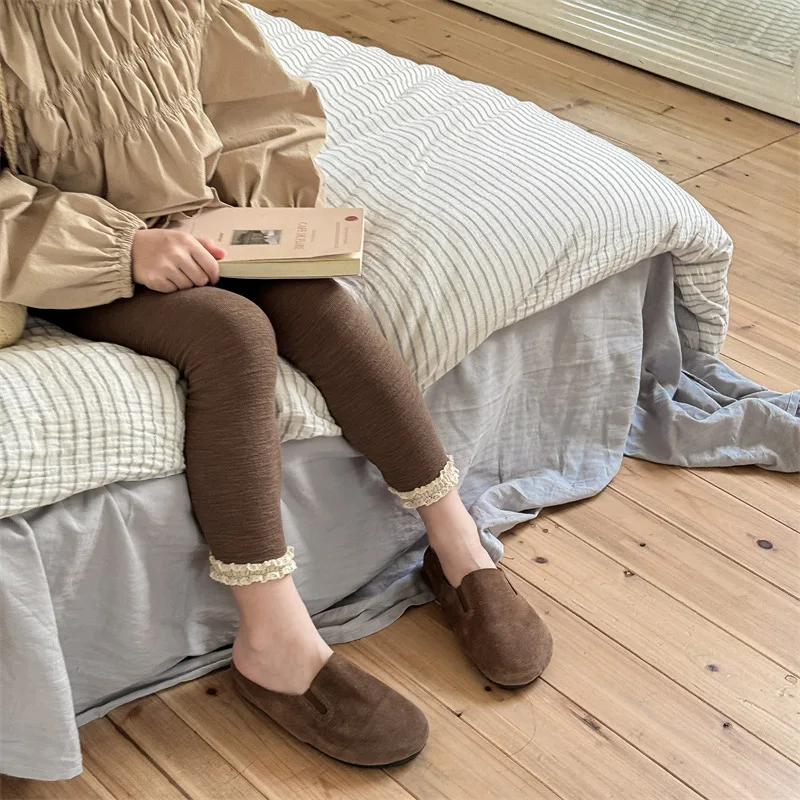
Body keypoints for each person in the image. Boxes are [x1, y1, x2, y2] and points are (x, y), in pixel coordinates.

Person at [0, 0, 552, 767]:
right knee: (231, 334)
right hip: (84, 260)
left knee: (318, 300)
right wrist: (124, 249)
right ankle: (274, 640)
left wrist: (265, 215)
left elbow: (252, 105)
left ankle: (458, 548)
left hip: (200, 220)